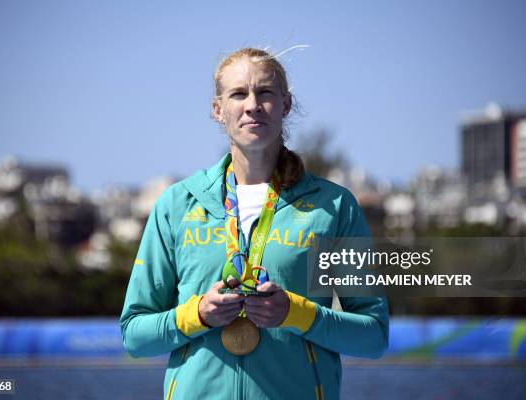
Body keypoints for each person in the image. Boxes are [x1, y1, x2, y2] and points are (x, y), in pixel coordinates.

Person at [120, 47, 389, 400]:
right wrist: (196, 314)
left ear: (285, 104)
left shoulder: (334, 207)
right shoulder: (176, 205)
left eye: (265, 92)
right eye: (238, 94)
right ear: (218, 110)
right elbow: (135, 337)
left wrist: (296, 313)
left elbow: (373, 337)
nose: (252, 104)